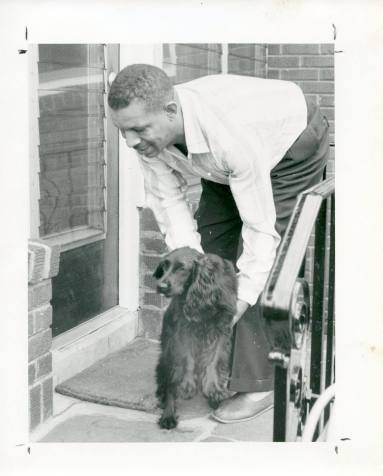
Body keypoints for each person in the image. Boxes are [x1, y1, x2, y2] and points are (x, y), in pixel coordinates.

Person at [108, 63, 330, 423]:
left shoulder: (229, 136)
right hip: (223, 162)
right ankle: (216, 370)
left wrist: (239, 300)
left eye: (138, 129)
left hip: (291, 143)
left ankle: (261, 383)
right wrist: (194, 269)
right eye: (123, 131)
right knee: (212, 253)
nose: (131, 141)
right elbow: (168, 201)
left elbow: (261, 232)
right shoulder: (151, 138)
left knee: (266, 262)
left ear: (170, 111)